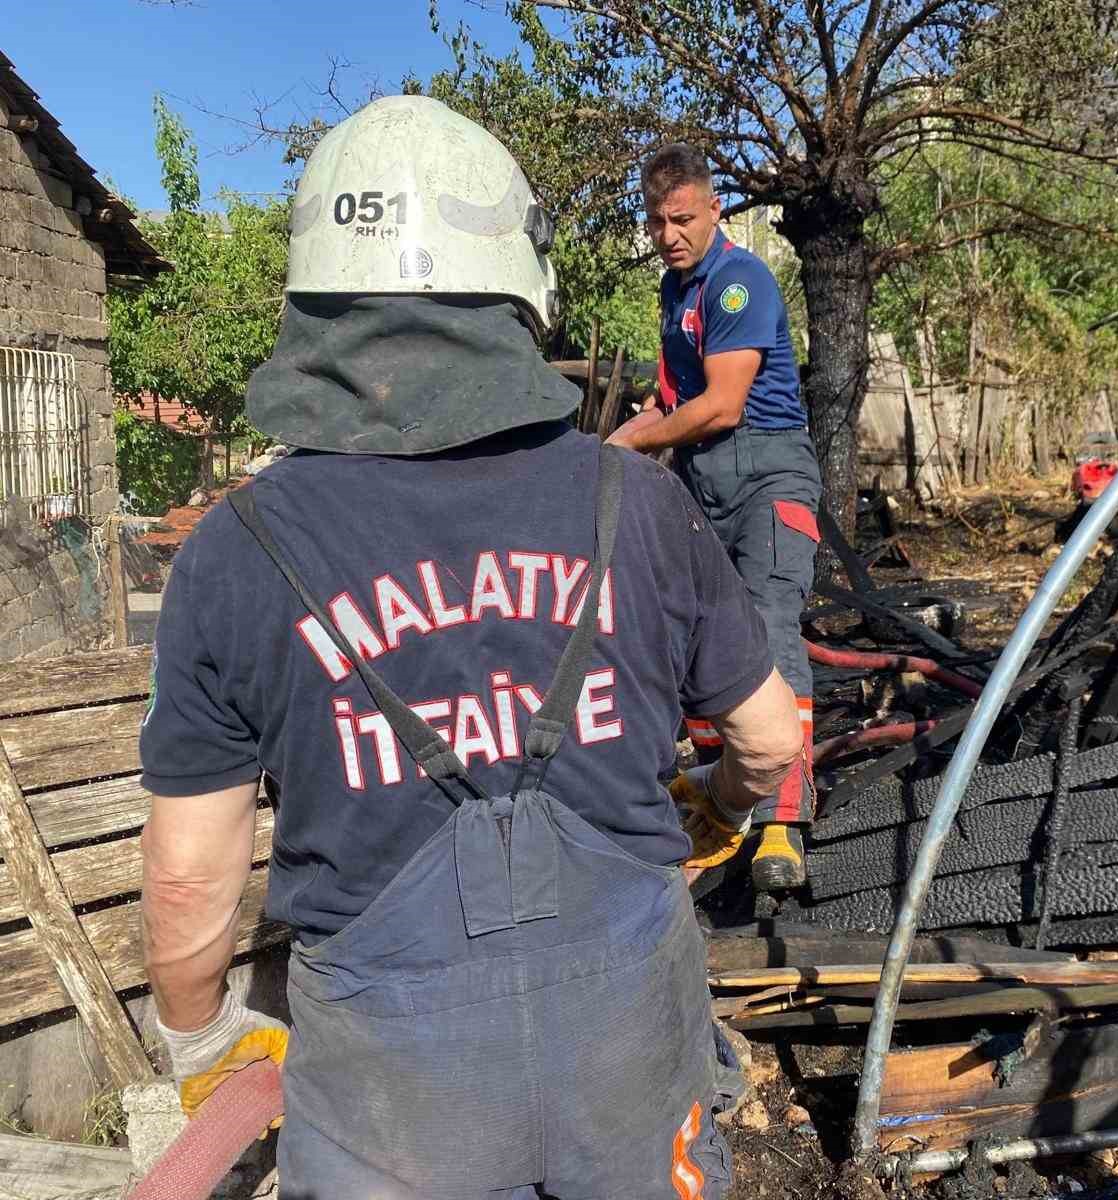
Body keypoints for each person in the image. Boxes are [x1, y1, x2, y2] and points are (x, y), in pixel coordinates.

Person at [138, 95, 801, 1200]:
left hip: (391, 1108)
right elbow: (772, 737)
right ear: (516, 287)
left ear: (316, 300)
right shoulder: (633, 502)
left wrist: (202, 1038)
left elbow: (186, 878)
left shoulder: (235, 551)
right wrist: (721, 811)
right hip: (628, 1054)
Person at [607, 144, 822, 893]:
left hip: (767, 474)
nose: (669, 234)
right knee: (694, 635)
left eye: (683, 218)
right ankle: (715, 802)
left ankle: (783, 825)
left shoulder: (740, 282)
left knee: (765, 625)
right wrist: (618, 443)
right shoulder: (675, 293)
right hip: (704, 482)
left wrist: (635, 438)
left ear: (713, 209)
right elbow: (674, 401)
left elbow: (724, 405)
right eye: (658, 221)